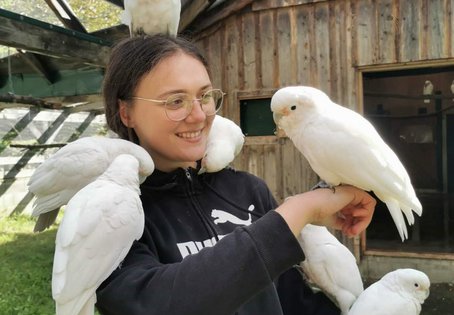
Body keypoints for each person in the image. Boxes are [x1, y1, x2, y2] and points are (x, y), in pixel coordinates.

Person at [96, 34, 376, 315]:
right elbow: (155, 304)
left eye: (204, 96)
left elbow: (289, 299)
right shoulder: (111, 212)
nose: (198, 115)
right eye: (175, 101)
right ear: (126, 112)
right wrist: (298, 211)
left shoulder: (248, 191)